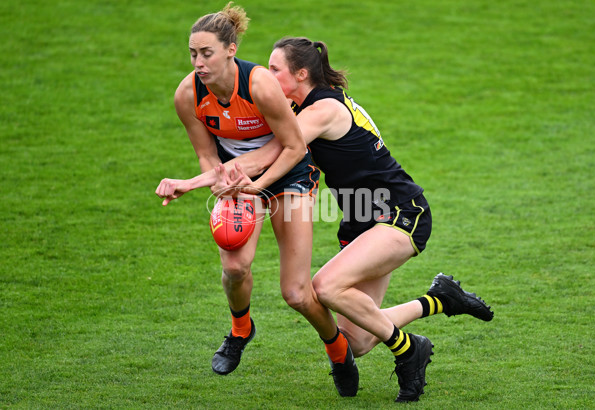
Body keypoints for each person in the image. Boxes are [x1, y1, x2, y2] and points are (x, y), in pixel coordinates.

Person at [219, 37, 494, 403]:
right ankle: (440, 298)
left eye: (274, 71)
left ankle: (409, 352)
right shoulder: (303, 107)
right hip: (363, 220)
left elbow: (278, 151)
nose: (267, 78)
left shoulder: (322, 111)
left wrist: (203, 182)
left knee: (327, 286)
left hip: (400, 213)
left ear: (301, 75)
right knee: (358, 340)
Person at [155, 5, 359, 397]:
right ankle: (240, 329)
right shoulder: (187, 95)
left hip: (288, 172)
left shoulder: (260, 85)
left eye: (207, 53)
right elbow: (206, 154)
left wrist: (254, 183)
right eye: (193, 54)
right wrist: (220, 177)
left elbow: (295, 145)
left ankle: (338, 350)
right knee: (234, 266)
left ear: (231, 49)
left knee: (297, 293)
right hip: (237, 178)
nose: (198, 62)